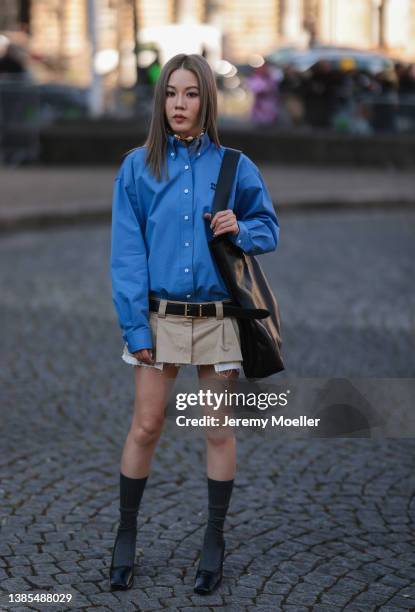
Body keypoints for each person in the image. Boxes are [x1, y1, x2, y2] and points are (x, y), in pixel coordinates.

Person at [109, 53, 280, 595]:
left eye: (190, 94)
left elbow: (269, 227)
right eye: (170, 94)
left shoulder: (234, 166)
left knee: (217, 429)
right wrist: (136, 330)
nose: (178, 104)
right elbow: (127, 253)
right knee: (146, 426)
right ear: (161, 102)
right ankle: (126, 535)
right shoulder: (137, 167)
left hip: (218, 319)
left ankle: (214, 538)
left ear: (207, 100)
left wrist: (242, 227)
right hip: (159, 318)